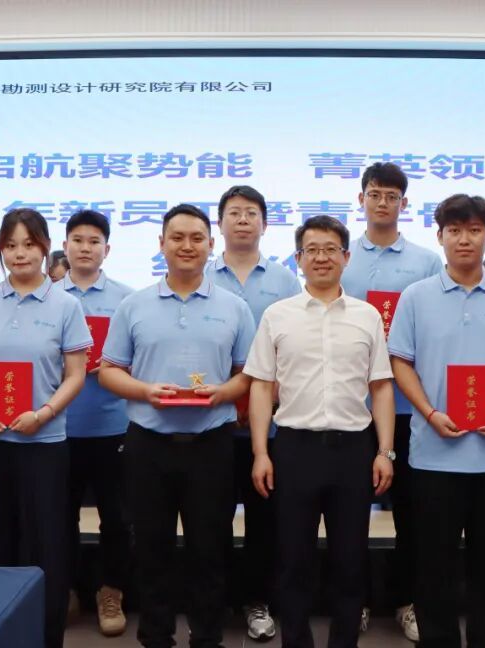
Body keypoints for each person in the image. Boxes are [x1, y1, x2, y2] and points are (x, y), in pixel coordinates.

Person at [389, 194, 485, 648]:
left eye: (474, 230)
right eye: (454, 230)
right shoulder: (416, 297)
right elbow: (400, 362)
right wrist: (430, 412)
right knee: (433, 567)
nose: (464, 239)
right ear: (439, 237)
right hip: (433, 455)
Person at [100, 203, 255, 648]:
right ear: (162, 244)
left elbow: (250, 373)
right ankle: (156, 636)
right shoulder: (133, 305)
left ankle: (207, 637)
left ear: (211, 245)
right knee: (152, 549)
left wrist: (224, 393)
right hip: (149, 444)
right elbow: (109, 372)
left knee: (211, 548)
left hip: (212, 444)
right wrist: (145, 390)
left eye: (197, 238)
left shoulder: (234, 307)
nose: (187, 246)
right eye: (178, 237)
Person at [246, 215, 395, 648]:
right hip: (295, 449)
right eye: (312, 249)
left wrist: (384, 451)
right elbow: (261, 386)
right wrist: (261, 452)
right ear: (298, 259)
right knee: (293, 561)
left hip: (353, 451)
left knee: (350, 561)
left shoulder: (367, 316)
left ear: (346, 257)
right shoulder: (277, 316)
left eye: (331, 249)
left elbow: (381, 386)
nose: (321, 257)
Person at [0, 208, 91, 648]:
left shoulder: (66, 304)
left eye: (29, 244)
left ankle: (43, 637)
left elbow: (76, 374)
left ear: (45, 247)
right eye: (10, 245)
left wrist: (44, 413)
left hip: (43, 443)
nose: (19, 254)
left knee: (44, 545)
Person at [341, 162, 441, 640]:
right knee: (349, 514)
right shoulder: (341, 256)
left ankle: (407, 601)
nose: (383, 203)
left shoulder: (425, 262)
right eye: (375, 194)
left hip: (410, 409)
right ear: (361, 199)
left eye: (392, 196)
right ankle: (354, 602)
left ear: (405, 203)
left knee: (414, 515)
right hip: (351, 408)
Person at [204, 185, 301, 641]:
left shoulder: (284, 280)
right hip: (214, 420)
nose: (243, 220)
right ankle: (216, 599)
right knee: (212, 516)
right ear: (219, 222)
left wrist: (266, 400)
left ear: (264, 223)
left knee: (266, 520)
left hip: (273, 421)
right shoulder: (202, 275)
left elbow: (294, 344)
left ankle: (257, 600)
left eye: (251, 213)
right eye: (234, 213)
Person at [57, 209, 134, 636]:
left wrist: (113, 365)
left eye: (94, 241)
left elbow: (140, 358)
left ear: (107, 249)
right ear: (64, 246)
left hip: (114, 426)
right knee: (59, 516)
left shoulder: (127, 299)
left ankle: (112, 592)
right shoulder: (48, 296)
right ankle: (65, 589)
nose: (85, 248)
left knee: (117, 519)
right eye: (78, 240)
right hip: (57, 428)